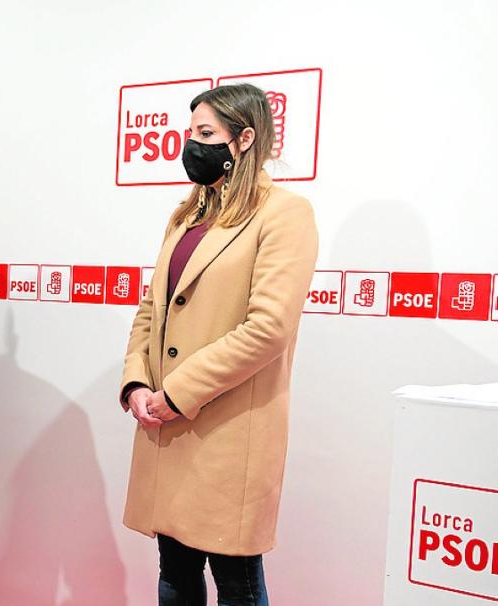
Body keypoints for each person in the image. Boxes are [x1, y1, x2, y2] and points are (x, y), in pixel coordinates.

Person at [119, 83, 319, 606]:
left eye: (206, 134)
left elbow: (268, 328)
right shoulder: (186, 214)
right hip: (167, 426)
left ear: (245, 138)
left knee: (236, 583)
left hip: (228, 430)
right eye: (191, 134)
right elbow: (152, 309)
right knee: (175, 575)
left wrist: (179, 392)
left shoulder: (284, 213)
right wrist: (137, 381)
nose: (193, 146)